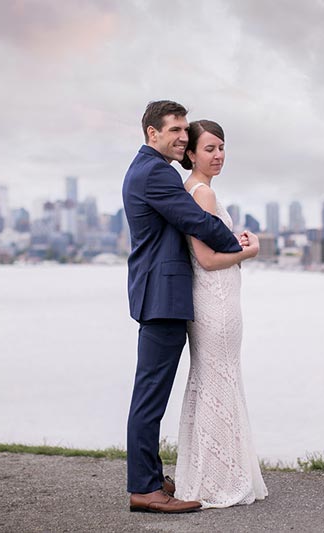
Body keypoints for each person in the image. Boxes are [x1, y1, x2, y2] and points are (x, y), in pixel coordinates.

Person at [122, 101, 257, 513]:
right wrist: (240, 244)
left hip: (163, 294)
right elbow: (196, 221)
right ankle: (144, 489)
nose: (182, 136)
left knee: (153, 392)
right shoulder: (156, 173)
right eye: (175, 130)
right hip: (163, 298)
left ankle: (150, 476)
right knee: (150, 394)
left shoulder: (150, 170)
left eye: (185, 129)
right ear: (152, 133)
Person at [174, 119, 268, 508]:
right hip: (216, 302)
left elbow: (214, 247)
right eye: (209, 149)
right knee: (220, 381)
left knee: (213, 381)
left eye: (222, 148)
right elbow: (207, 259)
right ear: (191, 154)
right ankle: (219, 480)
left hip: (214, 299)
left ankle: (211, 474)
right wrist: (250, 250)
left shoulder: (196, 191)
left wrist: (235, 241)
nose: (218, 156)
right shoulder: (202, 194)